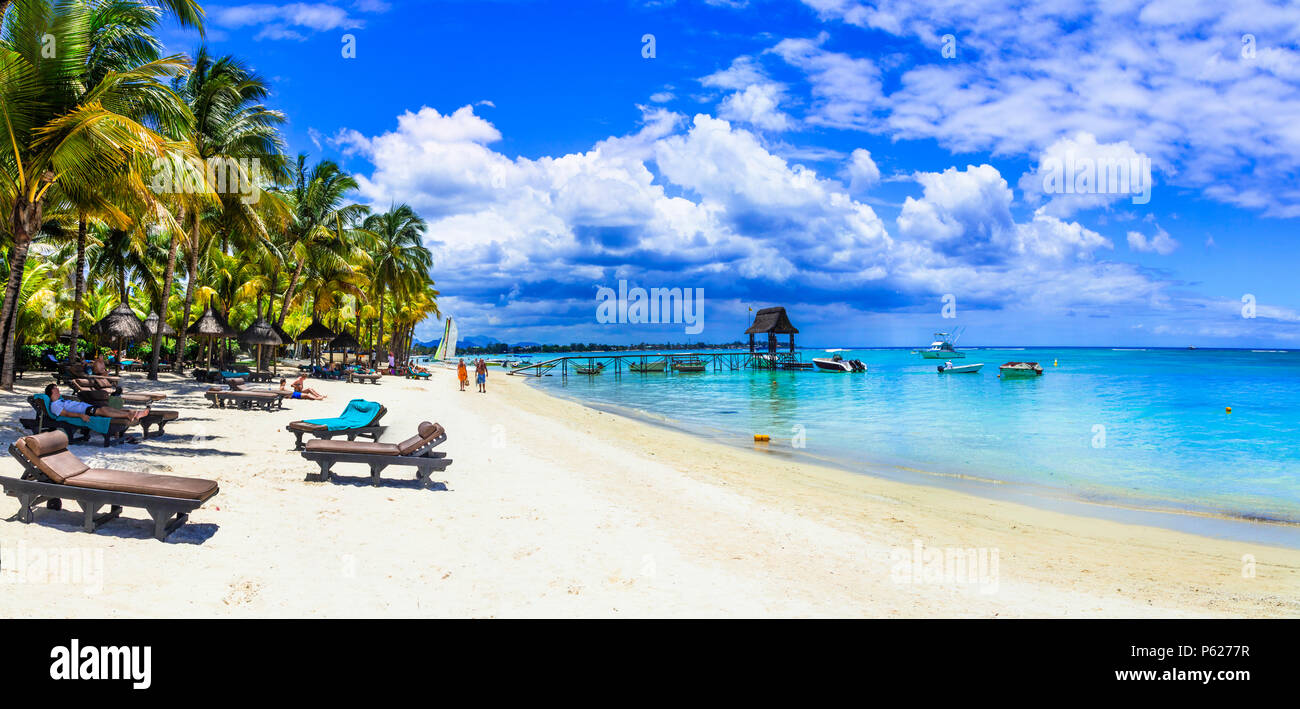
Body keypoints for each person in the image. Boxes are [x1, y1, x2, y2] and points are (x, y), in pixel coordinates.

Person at [44, 384, 147, 423]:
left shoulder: (61, 400)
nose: (58, 389)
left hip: (86, 407)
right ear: (52, 392)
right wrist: (81, 415)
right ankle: (129, 414)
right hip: (84, 411)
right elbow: (65, 414)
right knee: (103, 410)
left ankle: (133, 413)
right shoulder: (54, 405)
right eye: (56, 388)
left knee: (108, 409)